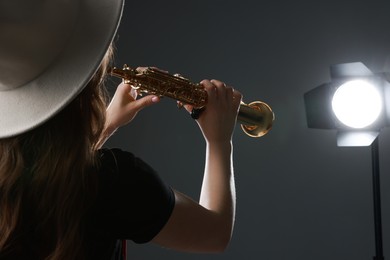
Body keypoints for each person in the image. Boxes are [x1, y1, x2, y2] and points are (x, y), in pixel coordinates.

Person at [0, 0, 242, 259]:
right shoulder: (115, 180)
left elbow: (50, 181)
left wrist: (104, 126)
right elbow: (213, 233)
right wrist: (219, 141)